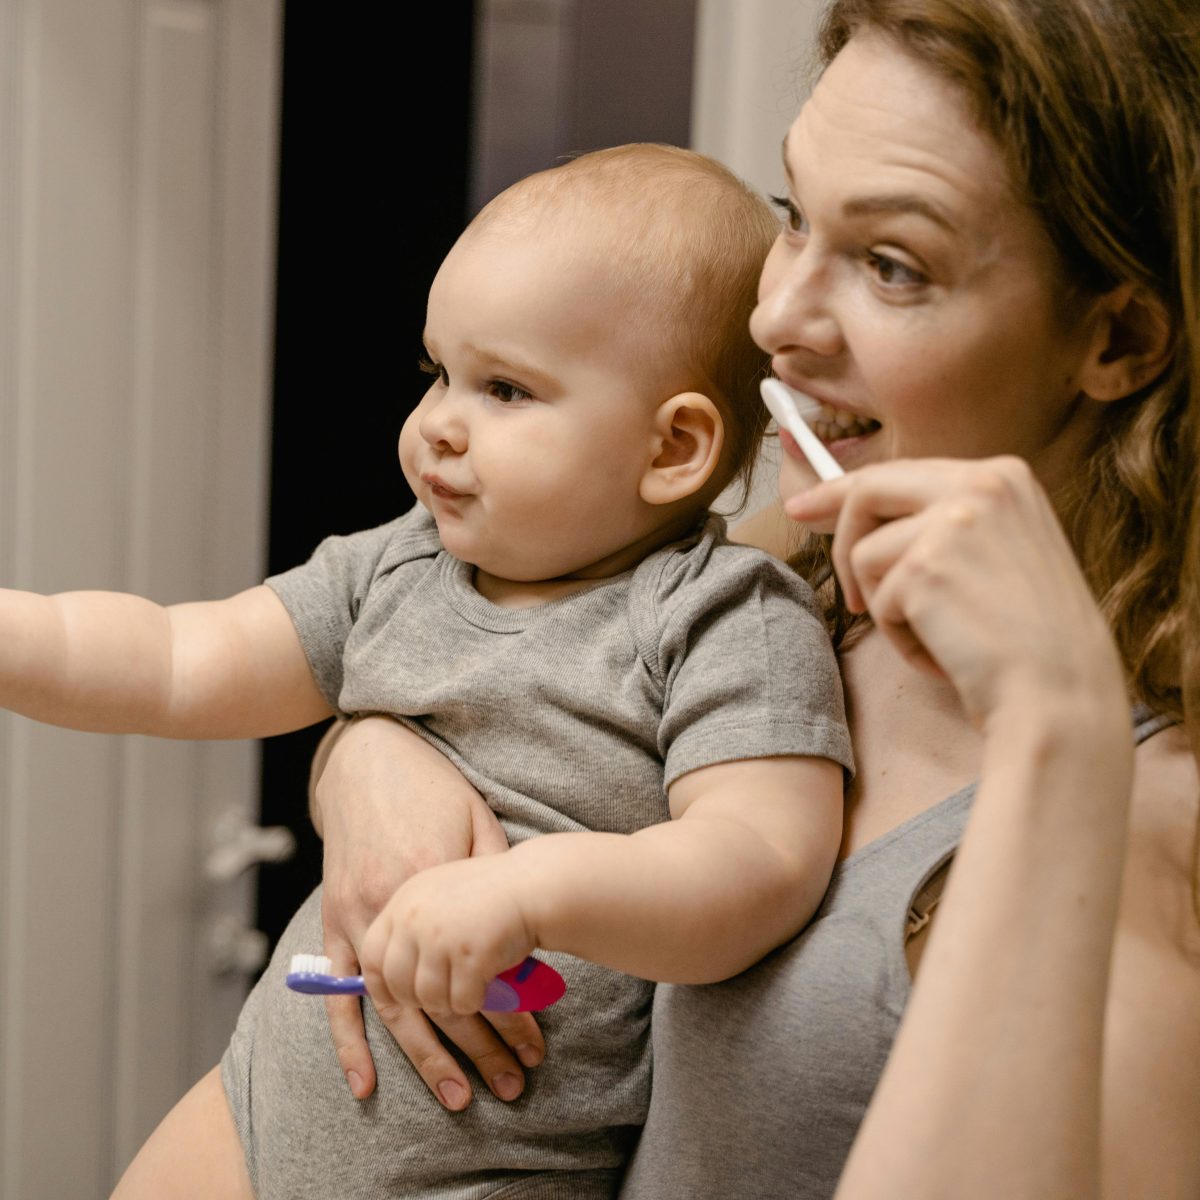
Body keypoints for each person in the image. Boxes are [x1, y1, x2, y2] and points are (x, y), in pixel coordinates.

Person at [302, 0, 1200, 1197]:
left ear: (1121, 336)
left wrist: (1058, 731)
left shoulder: (1155, 806)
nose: (773, 318)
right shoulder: (793, 568)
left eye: (891, 264)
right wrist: (371, 754)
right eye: (793, 218)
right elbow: (475, 664)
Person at [0, 142, 852, 1197]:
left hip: (490, 1166)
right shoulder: (399, 564)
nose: (438, 424)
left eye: (504, 388)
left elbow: (764, 861)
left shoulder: (721, 615)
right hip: (260, 1105)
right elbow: (179, 657)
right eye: (436, 373)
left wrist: (529, 892)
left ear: (673, 448)